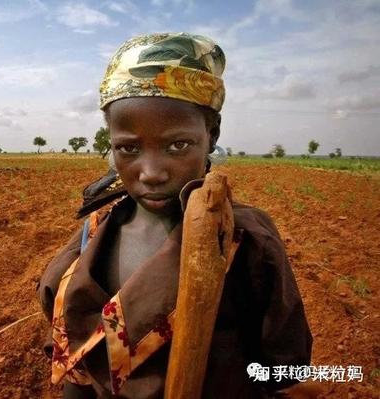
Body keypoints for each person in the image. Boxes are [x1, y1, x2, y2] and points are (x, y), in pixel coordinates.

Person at [37, 33, 312, 398]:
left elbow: (283, 366)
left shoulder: (244, 240)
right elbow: (77, 369)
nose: (151, 172)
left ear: (211, 135)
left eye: (177, 145)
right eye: (129, 148)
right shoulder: (91, 236)